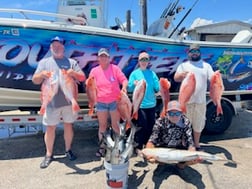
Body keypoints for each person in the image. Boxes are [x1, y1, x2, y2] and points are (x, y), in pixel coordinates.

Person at [32, 36, 86, 168]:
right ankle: (48, 154)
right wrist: (41, 75)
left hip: (69, 102)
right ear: (50, 48)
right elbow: (35, 80)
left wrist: (73, 73)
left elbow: (83, 77)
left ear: (63, 47)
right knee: (50, 128)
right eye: (54, 46)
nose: (56, 48)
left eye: (59, 46)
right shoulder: (44, 63)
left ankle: (68, 150)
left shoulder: (72, 62)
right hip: (50, 102)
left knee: (69, 126)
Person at [88, 48, 128, 157]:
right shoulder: (94, 71)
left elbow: (124, 80)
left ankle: (119, 147)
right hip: (100, 102)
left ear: (109, 58)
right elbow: (89, 86)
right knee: (102, 126)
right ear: (98, 58)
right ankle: (102, 148)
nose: (103, 58)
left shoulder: (115, 68)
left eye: (105, 56)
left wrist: (124, 87)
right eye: (101, 56)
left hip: (115, 102)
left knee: (116, 125)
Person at [174, 44, 214, 151]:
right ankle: (184, 143)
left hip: (200, 101)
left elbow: (212, 78)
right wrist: (181, 75)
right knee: (184, 124)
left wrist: (217, 78)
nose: (194, 53)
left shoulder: (206, 66)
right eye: (192, 51)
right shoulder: (183, 65)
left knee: (198, 124)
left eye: (196, 51)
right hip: (186, 102)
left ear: (200, 53)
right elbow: (176, 78)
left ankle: (197, 144)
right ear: (188, 53)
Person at [144, 100, 201, 169]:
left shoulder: (185, 122)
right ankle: (162, 163)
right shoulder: (160, 121)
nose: (174, 116)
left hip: (179, 147)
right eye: (171, 113)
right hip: (163, 147)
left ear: (181, 113)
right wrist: (149, 153)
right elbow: (152, 139)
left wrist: (192, 154)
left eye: (177, 113)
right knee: (152, 158)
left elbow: (190, 141)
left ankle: (180, 165)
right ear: (167, 113)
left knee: (192, 160)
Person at [128, 50, 160, 152]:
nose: (144, 61)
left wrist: (163, 85)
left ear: (148, 61)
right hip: (140, 106)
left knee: (150, 126)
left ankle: (148, 145)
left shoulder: (152, 73)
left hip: (151, 105)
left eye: (146, 59)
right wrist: (134, 84)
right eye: (142, 59)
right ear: (138, 61)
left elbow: (157, 88)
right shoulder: (134, 73)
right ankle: (137, 146)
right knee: (140, 126)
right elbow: (129, 88)